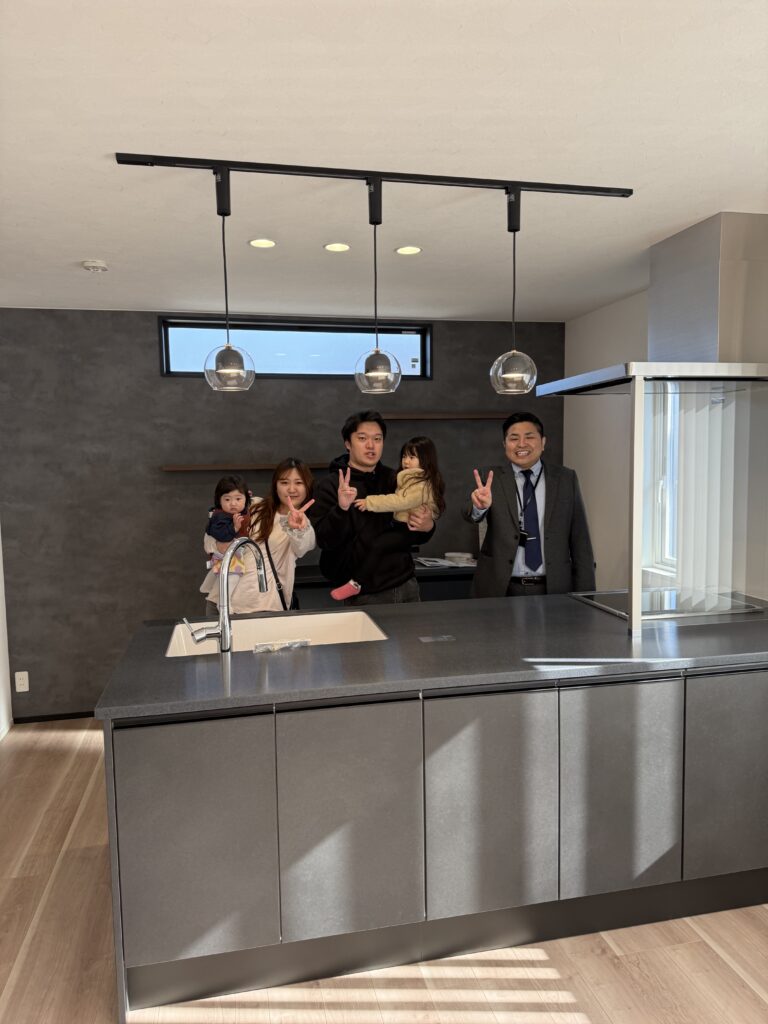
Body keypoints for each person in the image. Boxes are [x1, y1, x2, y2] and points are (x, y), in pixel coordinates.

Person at [309, 411, 436, 604]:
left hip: (406, 584)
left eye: (377, 439)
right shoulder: (330, 485)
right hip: (362, 593)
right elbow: (324, 539)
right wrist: (342, 509)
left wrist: (428, 526)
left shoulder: (396, 479)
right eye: (362, 438)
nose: (371, 445)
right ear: (348, 443)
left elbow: (413, 534)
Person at [464, 412, 595, 597]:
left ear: (543, 442)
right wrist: (480, 507)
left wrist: (586, 597)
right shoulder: (490, 478)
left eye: (529, 437)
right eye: (513, 438)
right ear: (504, 444)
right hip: (500, 589)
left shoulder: (565, 479)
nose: (521, 444)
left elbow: (581, 541)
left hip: (554, 589)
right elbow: (467, 513)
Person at [330, 435, 446, 601]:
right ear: (348, 444)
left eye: (412, 457)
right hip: (403, 528)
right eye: (404, 456)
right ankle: (356, 583)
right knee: (378, 544)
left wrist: (369, 502)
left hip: (408, 529)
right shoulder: (409, 479)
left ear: (426, 459)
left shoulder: (420, 484)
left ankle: (355, 584)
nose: (406, 461)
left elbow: (400, 501)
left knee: (378, 544)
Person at [200, 459, 316, 615]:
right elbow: (211, 534)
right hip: (220, 601)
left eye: (299, 483)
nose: (291, 489)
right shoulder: (253, 506)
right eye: (284, 482)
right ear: (275, 485)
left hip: (262, 606)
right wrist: (217, 546)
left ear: (307, 486)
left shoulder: (302, 523)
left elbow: (304, 546)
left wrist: (298, 528)